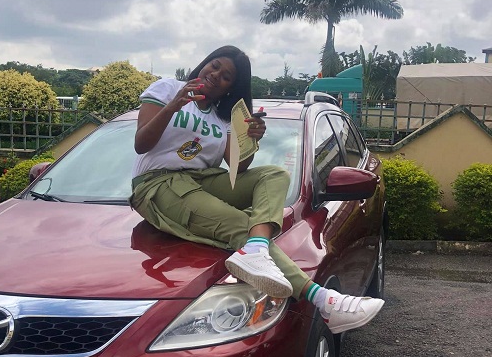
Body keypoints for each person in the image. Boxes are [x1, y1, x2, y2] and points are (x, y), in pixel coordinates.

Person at [130, 46, 384, 333]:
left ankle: (257, 249)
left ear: (231, 88)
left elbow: (237, 167)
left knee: (274, 174)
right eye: (214, 66)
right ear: (204, 64)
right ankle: (323, 301)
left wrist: (251, 139)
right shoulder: (167, 88)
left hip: (204, 179)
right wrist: (174, 105)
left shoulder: (223, 117)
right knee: (242, 225)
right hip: (158, 183)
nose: (215, 75)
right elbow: (142, 143)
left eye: (226, 76)